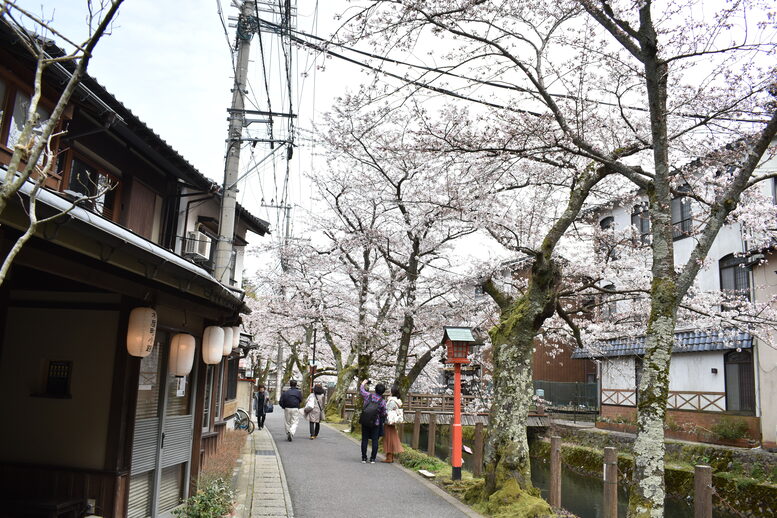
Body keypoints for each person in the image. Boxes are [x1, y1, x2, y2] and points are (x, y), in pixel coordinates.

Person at [359, 379, 387, 464]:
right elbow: (383, 413)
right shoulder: (382, 401)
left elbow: (361, 390)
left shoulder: (368, 396)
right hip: (376, 422)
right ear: (383, 392)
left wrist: (364, 382)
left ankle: (364, 458)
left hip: (366, 420)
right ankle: (372, 459)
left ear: (375, 389)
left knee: (365, 439)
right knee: (375, 440)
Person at [382, 383, 404, 463]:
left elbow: (387, 411)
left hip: (389, 422)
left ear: (392, 392)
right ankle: (390, 456)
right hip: (393, 422)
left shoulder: (391, 401)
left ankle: (389, 457)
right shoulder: (397, 401)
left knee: (389, 438)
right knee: (391, 437)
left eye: (390, 391)